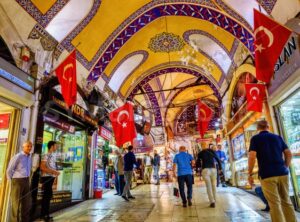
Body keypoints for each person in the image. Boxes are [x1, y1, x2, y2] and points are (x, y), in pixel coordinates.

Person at [248, 120, 296, 222]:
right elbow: (288, 153)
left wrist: (250, 173)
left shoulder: (255, 139)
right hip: (283, 173)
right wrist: (285, 167)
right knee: (286, 201)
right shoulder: (277, 137)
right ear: (268, 127)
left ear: (258, 128)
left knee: (274, 203)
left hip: (267, 175)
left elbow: (252, 156)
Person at [6, 140, 33, 222]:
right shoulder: (18, 156)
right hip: (17, 181)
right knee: (15, 204)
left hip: (26, 180)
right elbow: (9, 170)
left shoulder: (29, 157)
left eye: (31, 146)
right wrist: (12, 182)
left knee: (26, 204)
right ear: (23, 147)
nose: (29, 148)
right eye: (28, 146)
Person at [197, 142, 222, 208]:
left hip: (205, 170)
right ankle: (215, 199)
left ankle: (212, 201)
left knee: (208, 186)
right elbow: (218, 159)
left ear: (201, 146)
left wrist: (198, 170)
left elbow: (198, 163)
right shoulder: (212, 151)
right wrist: (220, 168)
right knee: (213, 185)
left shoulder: (200, 153)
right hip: (213, 169)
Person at [40, 141, 60, 221]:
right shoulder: (46, 155)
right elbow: (42, 167)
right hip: (46, 177)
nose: (57, 147)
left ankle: (46, 214)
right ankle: (44, 215)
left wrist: (55, 173)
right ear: (52, 146)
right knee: (46, 196)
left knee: (48, 196)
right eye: (56, 146)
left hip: (51, 177)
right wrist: (53, 172)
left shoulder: (53, 155)